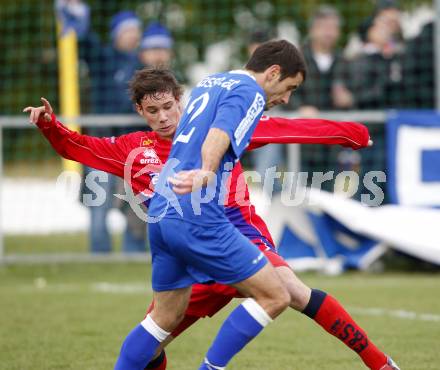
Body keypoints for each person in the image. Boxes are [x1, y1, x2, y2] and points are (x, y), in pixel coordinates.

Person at [24, 67, 398, 370]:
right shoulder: (133, 149)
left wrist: (352, 134)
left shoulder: (214, 127)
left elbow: (285, 128)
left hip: (236, 232)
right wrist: (48, 126)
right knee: (153, 341)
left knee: (293, 292)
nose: (164, 117)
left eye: (169, 106)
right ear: (140, 111)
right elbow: (79, 147)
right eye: (153, 111)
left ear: (180, 99)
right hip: (186, 251)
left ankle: (380, 363)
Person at [58, 1, 146, 253]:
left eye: (135, 31)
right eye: (128, 31)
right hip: (102, 145)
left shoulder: (142, 66)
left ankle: (133, 253)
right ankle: (100, 256)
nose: (133, 35)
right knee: (99, 203)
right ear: (117, 34)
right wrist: (79, 21)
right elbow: (86, 45)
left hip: (132, 149)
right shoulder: (104, 58)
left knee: (137, 204)